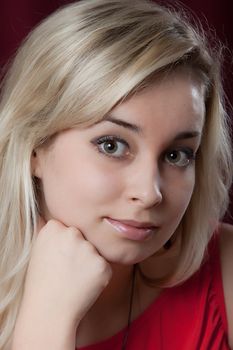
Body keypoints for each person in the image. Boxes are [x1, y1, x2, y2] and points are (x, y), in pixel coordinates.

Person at [0, 0, 232, 349]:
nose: (150, 192)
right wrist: (46, 319)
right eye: (112, 146)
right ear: (35, 145)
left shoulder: (224, 267)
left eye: (176, 154)